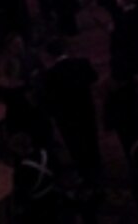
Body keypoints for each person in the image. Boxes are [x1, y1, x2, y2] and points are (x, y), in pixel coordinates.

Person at [41, 38, 101, 180]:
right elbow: (94, 77)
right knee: (91, 137)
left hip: (66, 117)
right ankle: (97, 165)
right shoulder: (82, 63)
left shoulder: (49, 75)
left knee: (75, 144)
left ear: (50, 56)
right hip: (86, 109)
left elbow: (48, 99)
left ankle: (84, 171)